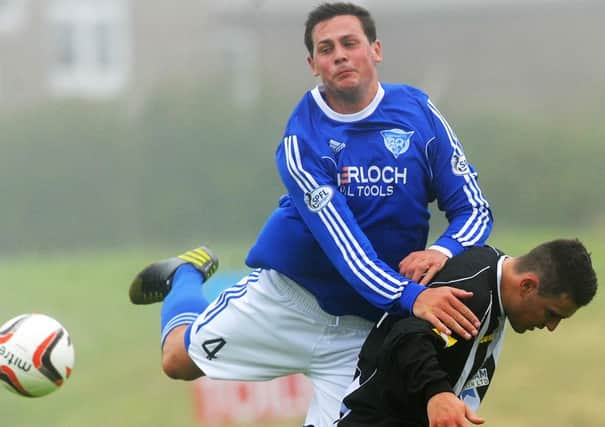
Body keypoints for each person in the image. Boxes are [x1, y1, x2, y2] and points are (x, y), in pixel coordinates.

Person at [128, 3, 493, 426]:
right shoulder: (302, 140)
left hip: (365, 328)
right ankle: (185, 275)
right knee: (175, 360)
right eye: (326, 48)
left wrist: (444, 251)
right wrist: (415, 297)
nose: (339, 54)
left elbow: (474, 209)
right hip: (289, 300)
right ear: (313, 64)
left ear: (375, 50)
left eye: (350, 43)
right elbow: (348, 252)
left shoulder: (419, 114)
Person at [337, 238, 598, 427]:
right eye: (552, 313)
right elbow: (407, 335)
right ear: (527, 285)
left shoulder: (496, 288)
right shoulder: (471, 292)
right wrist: (438, 393)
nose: (551, 327)